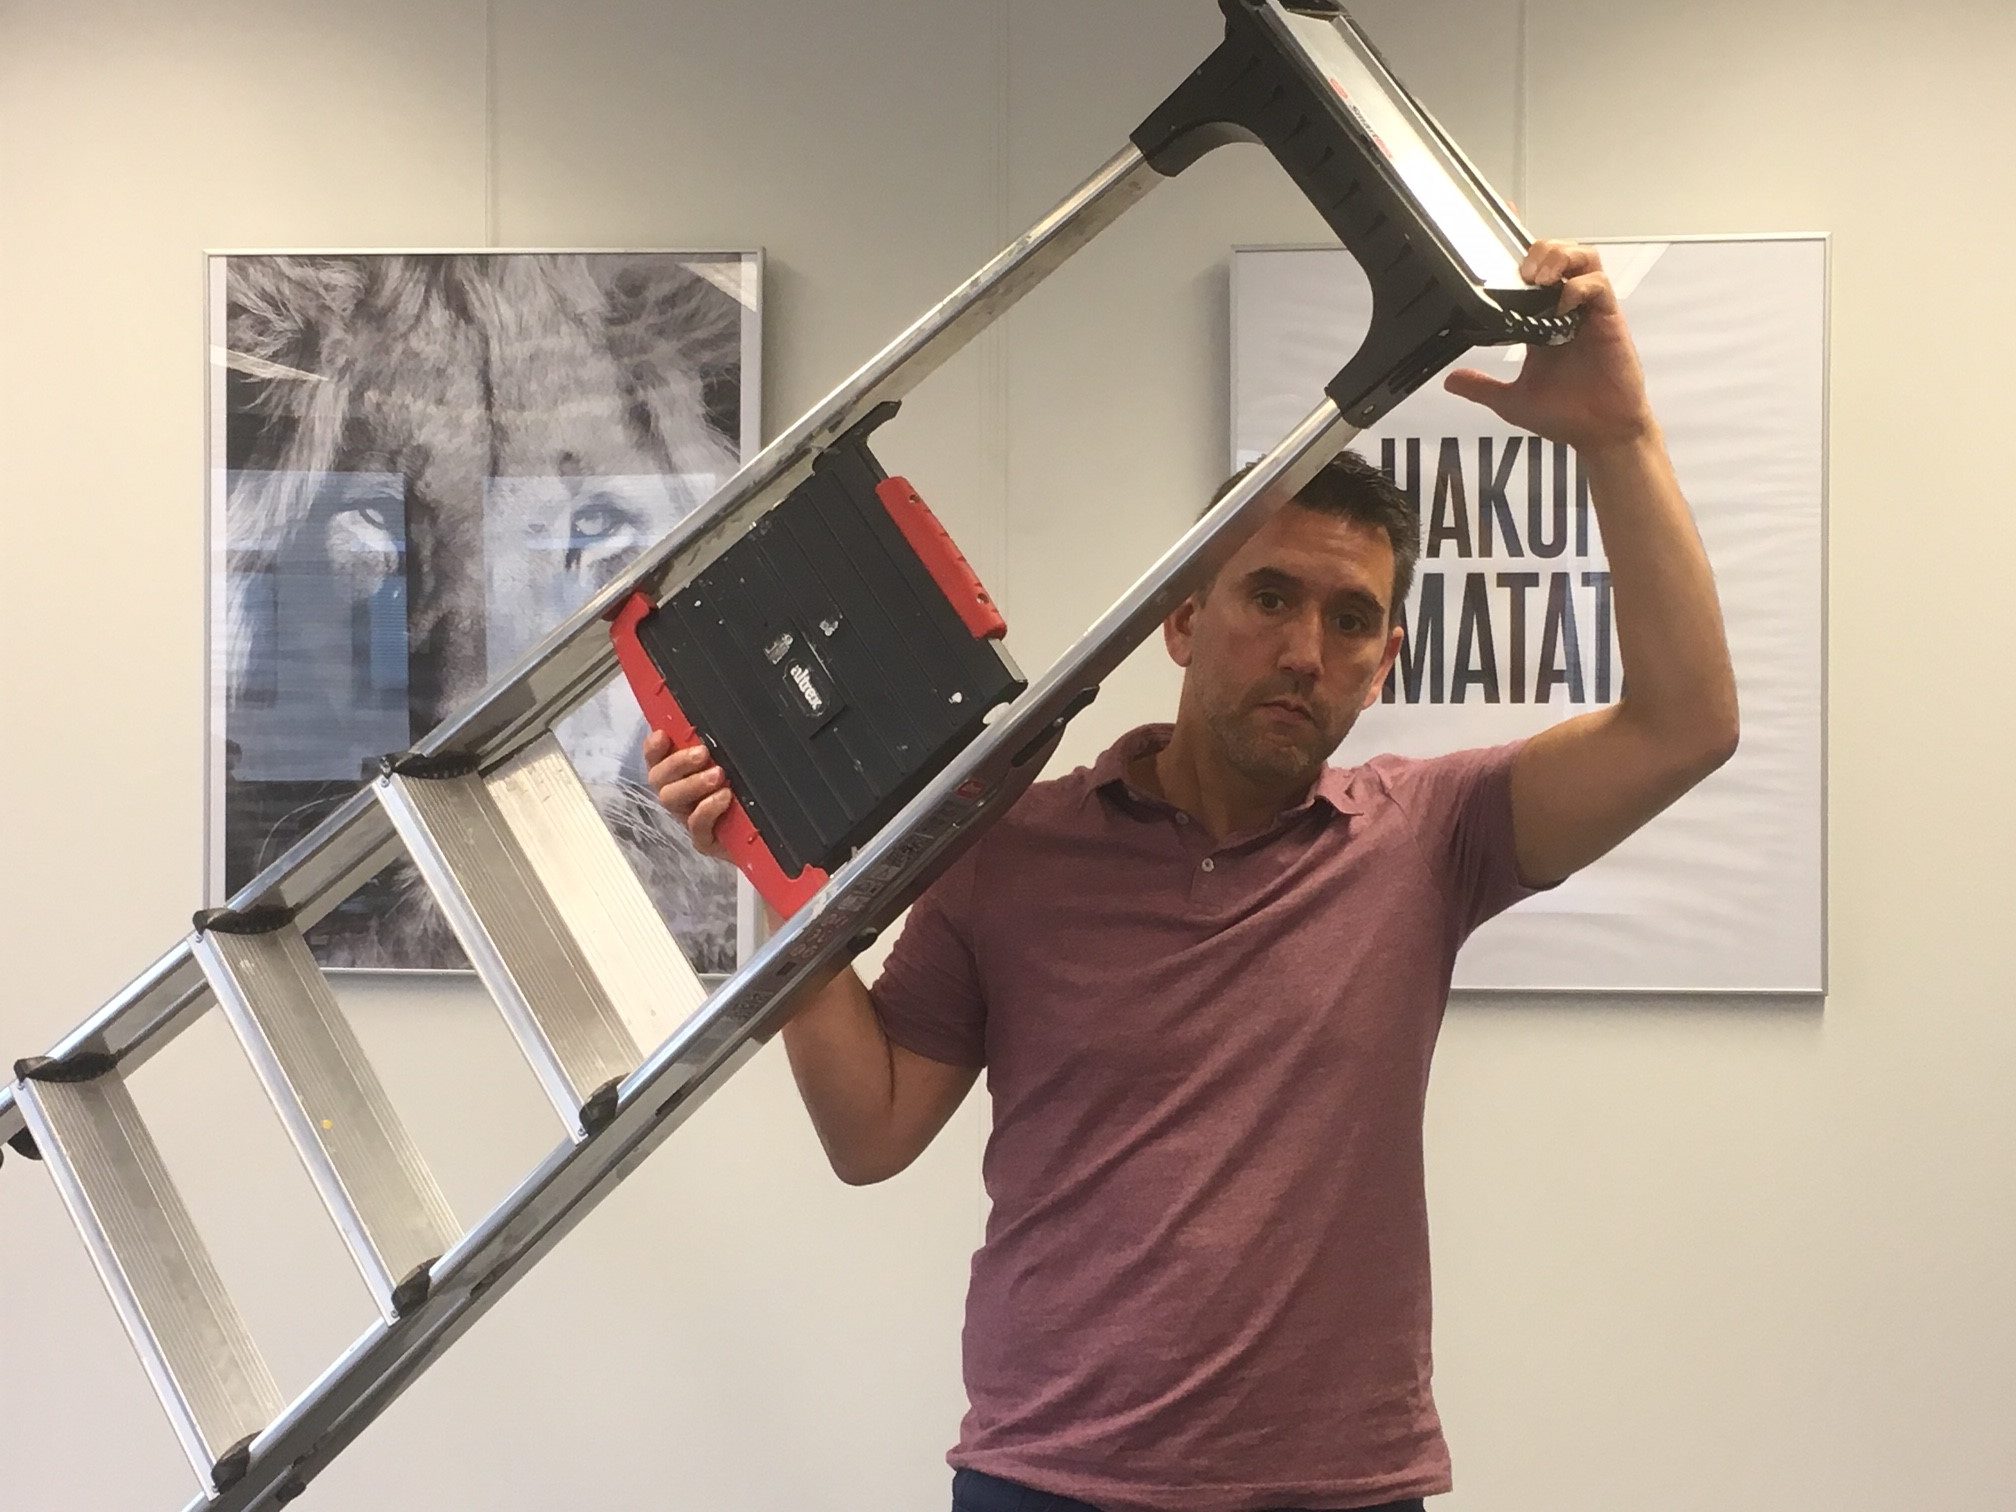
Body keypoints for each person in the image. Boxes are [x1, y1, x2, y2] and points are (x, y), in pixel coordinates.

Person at [644, 243, 1739, 1512]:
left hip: (1336, 1488)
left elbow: (1686, 725)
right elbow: (871, 1130)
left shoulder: (1429, 838)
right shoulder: (1011, 845)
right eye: (1269, 597)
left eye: (1349, 620)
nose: (1304, 650)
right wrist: (772, 864)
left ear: (1384, 660)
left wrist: (1619, 436)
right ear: (1181, 619)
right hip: (1050, 1476)